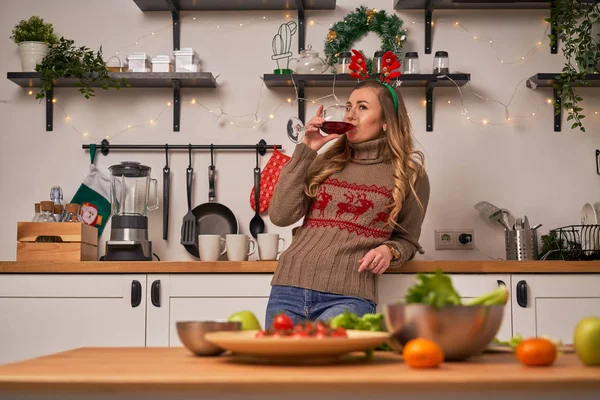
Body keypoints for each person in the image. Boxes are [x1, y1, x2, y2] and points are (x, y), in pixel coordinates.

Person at [265, 73, 430, 330]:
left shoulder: (409, 174)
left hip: (349, 295)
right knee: (280, 370)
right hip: (289, 288)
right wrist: (306, 150)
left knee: (334, 370)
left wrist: (389, 250)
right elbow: (280, 216)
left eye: (362, 108)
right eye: (348, 107)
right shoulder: (326, 162)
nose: (350, 115)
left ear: (386, 120)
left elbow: (407, 240)